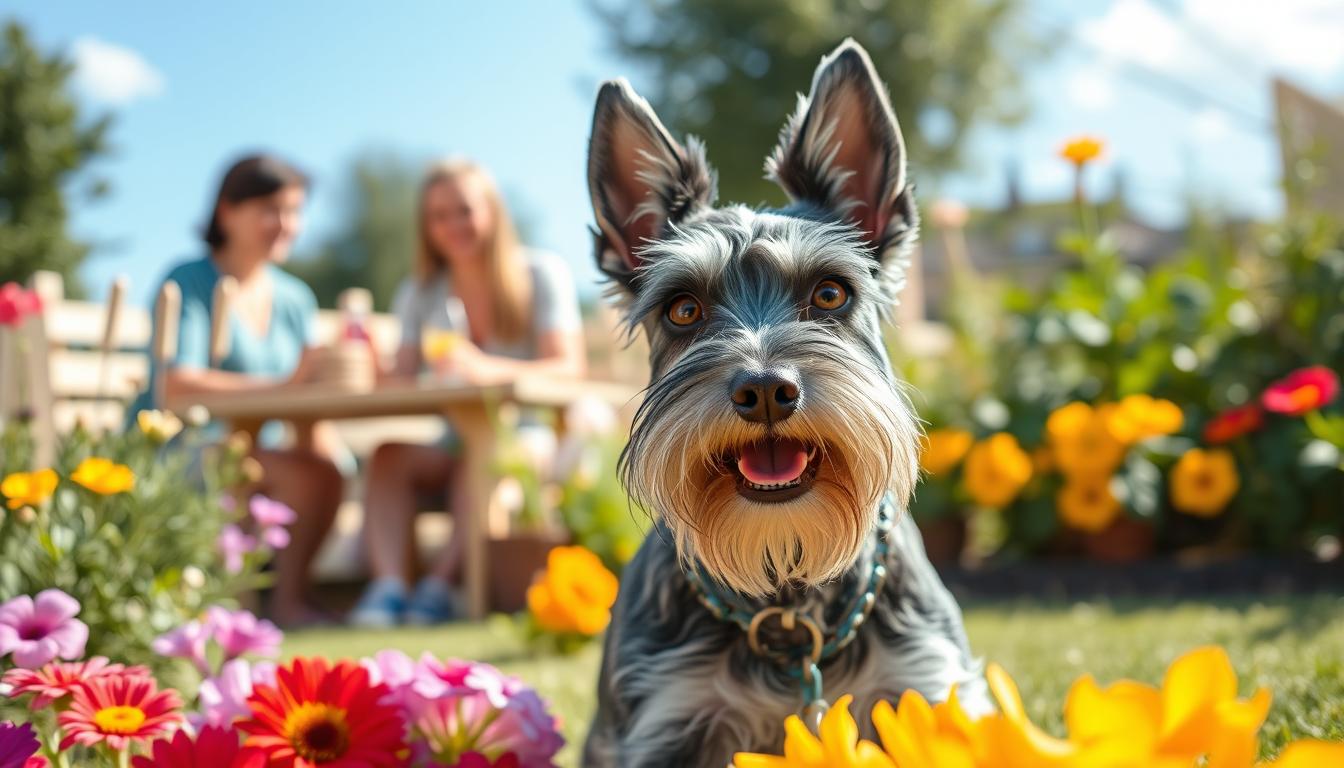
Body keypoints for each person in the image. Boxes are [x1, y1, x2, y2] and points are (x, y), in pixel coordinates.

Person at [349, 158, 585, 626]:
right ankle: (390, 589)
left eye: (463, 210)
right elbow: (405, 375)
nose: (452, 225)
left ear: (492, 212)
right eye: (438, 216)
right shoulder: (421, 292)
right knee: (388, 457)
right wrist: (370, 363)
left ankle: (441, 586)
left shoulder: (540, 273)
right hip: (452, 434)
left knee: (484, 456)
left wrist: (482, 368)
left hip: (528, 432)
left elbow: (568, 367)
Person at [135, 154, 345, 627]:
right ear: (227, 211)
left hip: (258, 448)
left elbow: (305, 392)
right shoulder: (189, 281)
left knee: (331, 469)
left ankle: (290, 602)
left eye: (295, 210)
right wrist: (283, 386)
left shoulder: (295, 298)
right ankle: (270, 607)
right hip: (179, 451)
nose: (286, 224)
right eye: (271, 209)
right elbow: (176, 382)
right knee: (297, 475)